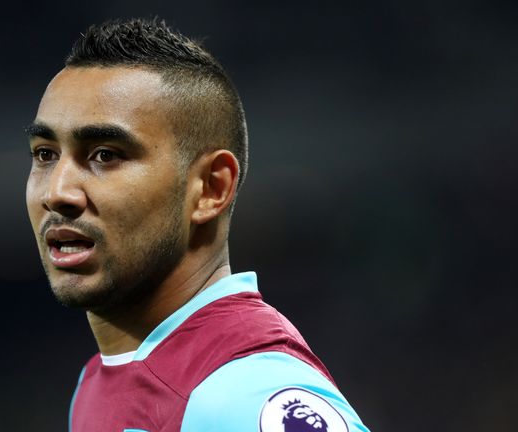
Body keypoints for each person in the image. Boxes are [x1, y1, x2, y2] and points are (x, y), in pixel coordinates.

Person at [25, 17, 369, 432]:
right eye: (45, 154)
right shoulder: (99, 378)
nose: (57, 191)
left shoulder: (245, 392)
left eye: (105, 155)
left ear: (210, 188)